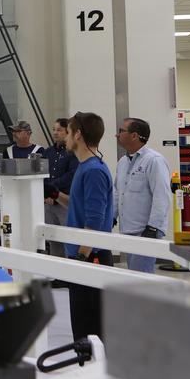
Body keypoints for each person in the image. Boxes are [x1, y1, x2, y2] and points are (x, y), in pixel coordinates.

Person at [63, 111, 116, 341]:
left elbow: (93, 223)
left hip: (90, 258)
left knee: (89, 329)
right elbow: (83, 208)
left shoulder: (93, 171)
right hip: (85, 257)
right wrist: (57, 196)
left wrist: (81, 259)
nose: (64, 138)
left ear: (78, 135)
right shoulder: (85, 168)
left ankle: (92, 371)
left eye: (67, 132)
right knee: (83, 326)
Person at [114, 117, 172, 273]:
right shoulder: (123, 162)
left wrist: (153, 228)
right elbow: (118, 193)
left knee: (142, 276)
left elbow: (162, 196)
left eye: (121, 131)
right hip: (128, 229)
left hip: (145, 231)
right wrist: (112, 217)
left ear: (134, 136)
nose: (117, 135)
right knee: (135, 275)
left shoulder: (154, 161)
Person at [45, 118, 79, 227]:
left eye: (59, 130)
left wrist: (52, 189)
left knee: (67, 236)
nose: (55, 133)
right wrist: (47, 192)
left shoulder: (72, 152)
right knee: (51, 237)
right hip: (48, 201)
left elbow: (71, 175)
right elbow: (43, 173)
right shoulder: (48, 152)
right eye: (54, 129)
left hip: (64, 200)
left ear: (67, 132)